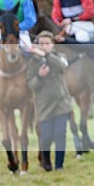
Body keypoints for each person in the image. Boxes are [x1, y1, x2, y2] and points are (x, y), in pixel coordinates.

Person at [27, 31, 72, 171]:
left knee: (60, 134)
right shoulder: (32, 62)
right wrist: (39, 76)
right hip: (44, 104)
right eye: (41, 44)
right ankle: (46, 161)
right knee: (45, 136)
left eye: (47, 44)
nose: (44, 46)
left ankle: (59, 165)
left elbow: (62, 66)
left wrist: (47, 55)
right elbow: (30, 84)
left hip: (61, 103)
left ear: (52, 45)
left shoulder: (59, 57)